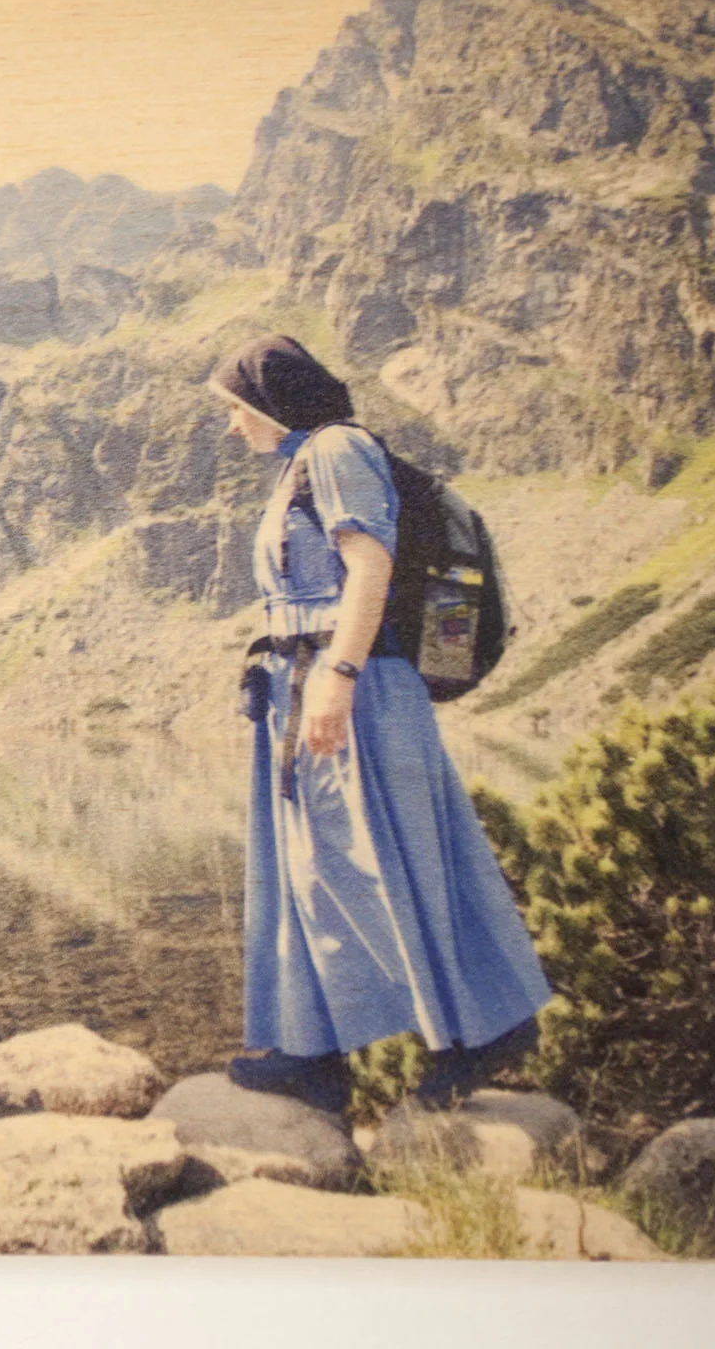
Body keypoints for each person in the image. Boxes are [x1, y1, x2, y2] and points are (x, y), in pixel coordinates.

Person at [209, 336, 552, 1112]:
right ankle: (314, 1051)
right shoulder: (301, 462)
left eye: (235, 407)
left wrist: (337, 676)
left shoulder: (337, 449)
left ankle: (478, 1035)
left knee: (383, 865)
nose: (232, 426)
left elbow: (370, 565)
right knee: (311, 868)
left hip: (353, 690)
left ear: (269, 399)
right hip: (304, 687)